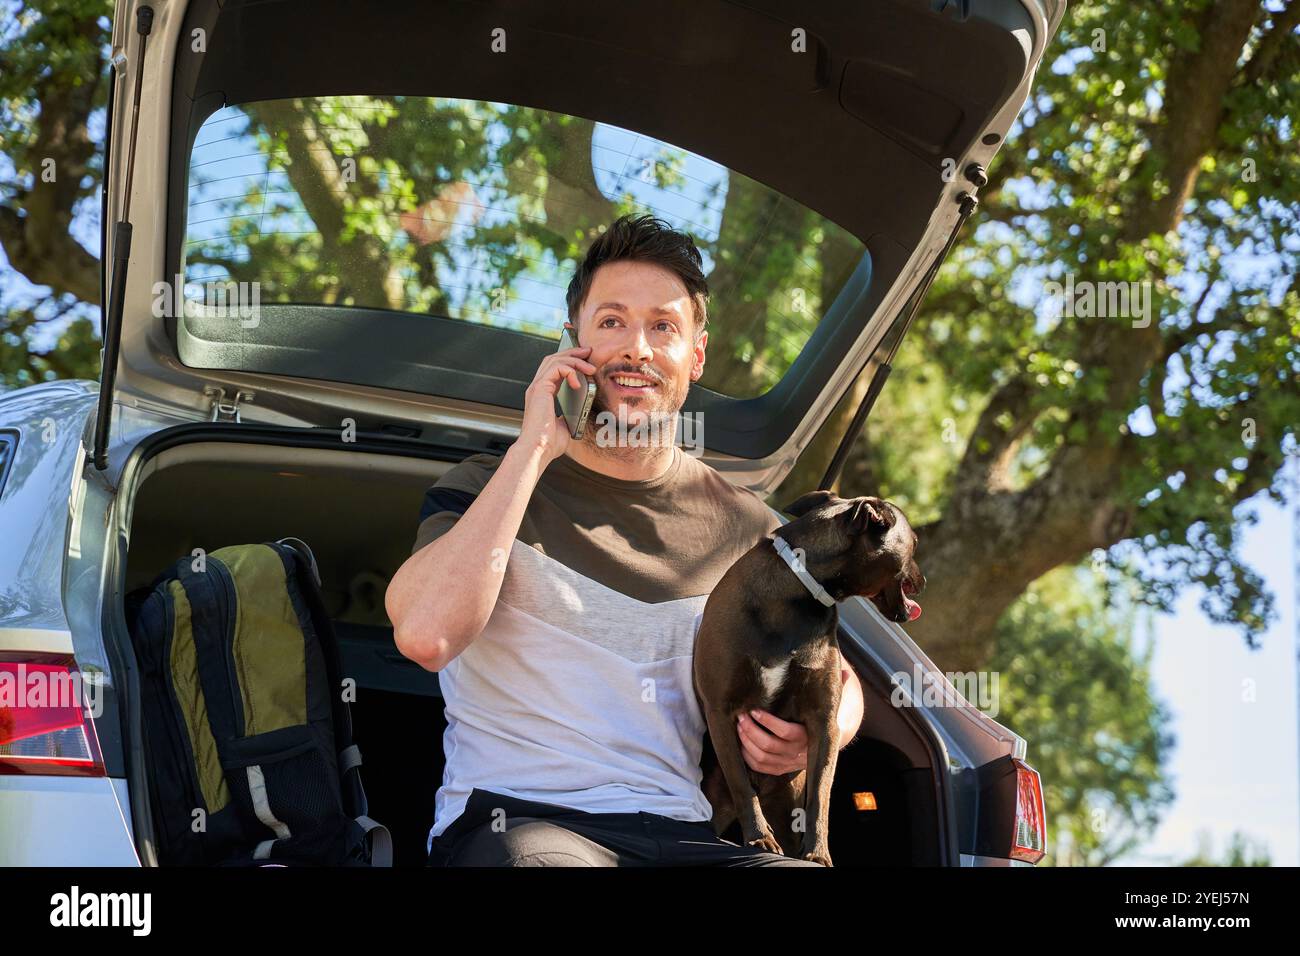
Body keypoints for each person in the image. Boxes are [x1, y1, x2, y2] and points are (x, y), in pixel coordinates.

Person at [385, 213, 864, 866]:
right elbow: (426, 634)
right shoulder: (483, 488)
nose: (636, 347)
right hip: (518, 824)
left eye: (662, 326)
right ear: (572, 343)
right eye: (611, 321)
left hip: (682, 834)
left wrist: (820, 734)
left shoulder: (747, 526)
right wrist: (534, 448)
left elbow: (840, 674)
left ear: (695, 355)